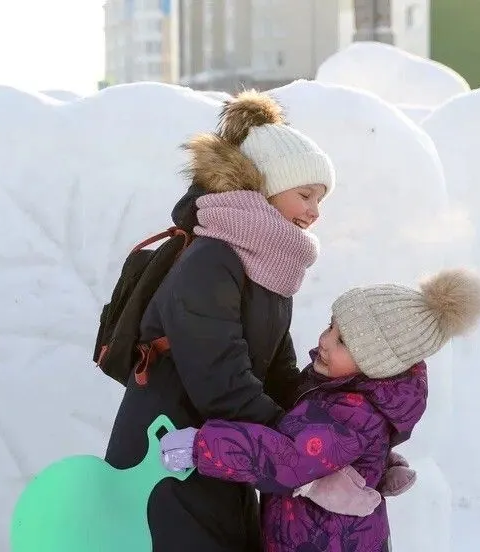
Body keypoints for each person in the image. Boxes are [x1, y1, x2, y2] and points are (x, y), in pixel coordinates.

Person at [103, 90, 340, 551]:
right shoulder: (213, 258)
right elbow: (219, 378)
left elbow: (276, 372)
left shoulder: (267, 266)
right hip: (166, 453)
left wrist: (336, 421)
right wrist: (297, 443)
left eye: (321, 198)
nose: (315, 211)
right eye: (305, 194)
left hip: (220, 450)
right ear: (266, 188)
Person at [160, 268, 480, 552]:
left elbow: (288, 458)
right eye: (331, 326)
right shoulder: (349, 392)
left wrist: (202, 446)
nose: (325, 340)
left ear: (377, 364)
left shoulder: (352, 410)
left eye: (343, 340)